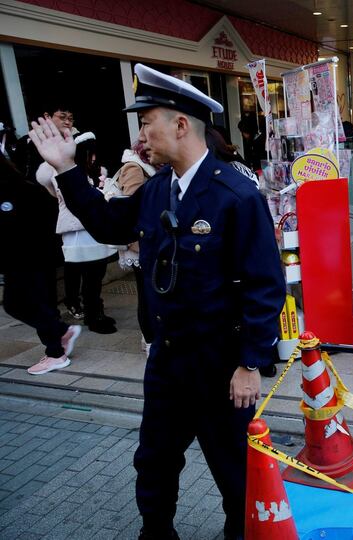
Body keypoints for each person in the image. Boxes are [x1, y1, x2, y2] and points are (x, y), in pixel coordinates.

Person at [28, 63, 285, 540]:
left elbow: (265, 286)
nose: (141, 135)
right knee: (154, 462)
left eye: (148, 123)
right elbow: (107, 225)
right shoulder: (157, 190)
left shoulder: (236, 196)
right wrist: (65, 168)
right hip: (167, 360)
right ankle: (157, 532)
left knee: (234, 472)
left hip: (220, 367)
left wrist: (250, 363)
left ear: (181, 125)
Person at [0, 155, 82, 375]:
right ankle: (56, 350)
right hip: (30, 258)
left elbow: (47, 215)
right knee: (39, 305)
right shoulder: (21, 187)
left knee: (19, 304)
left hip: (27, 258)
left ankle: (59, 342)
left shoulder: (17, 189)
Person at [37, 131, 117, 333]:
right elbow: (59, 194)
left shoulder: (93, 172)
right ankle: (92, 316)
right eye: (90, 153)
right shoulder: (65, 176)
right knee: (89, 276)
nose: (94, 157)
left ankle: (96, 312)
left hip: (92, 230)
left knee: (96, 274)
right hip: (77, 232)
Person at [104, 140, 159, 354]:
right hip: (140, 243)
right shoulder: (135, 168)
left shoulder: (148, 167)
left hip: (148, 241)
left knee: (151, 292)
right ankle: (150, 340)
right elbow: (132, 209)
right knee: (147, 294)